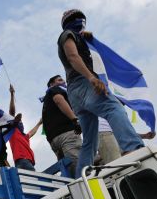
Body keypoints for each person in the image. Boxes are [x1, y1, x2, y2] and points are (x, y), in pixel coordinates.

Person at [58, 9, 144, 178]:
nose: (80, 21)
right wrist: (91, 77)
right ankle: (133, 148)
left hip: (75, 94)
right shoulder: (67, 35)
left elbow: (79, 49)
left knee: (90, 140)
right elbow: (73, 56)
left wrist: (86, 38)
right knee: (113, 108)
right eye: (76, 19)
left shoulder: (77, 37)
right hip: (82, 83)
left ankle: (82, 177)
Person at [41, 75, 82, 176]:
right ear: (52, 84)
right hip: (67, 135)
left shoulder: (46, 101)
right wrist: (75, 119)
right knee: (80, 169)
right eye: (59, 80)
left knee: (69, 172)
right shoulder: (55, 90)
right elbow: (59, 100)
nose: (63, 82)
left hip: (54, 141)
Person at [6, 84, 41, 171]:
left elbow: (32, 132)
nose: (21, 123)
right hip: (22, 161)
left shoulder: (24, 137)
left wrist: (39, 123)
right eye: (20, 122)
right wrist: (12, 94)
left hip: (28, 162)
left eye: (22, 122)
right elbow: (11, 113)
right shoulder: (13, 132)